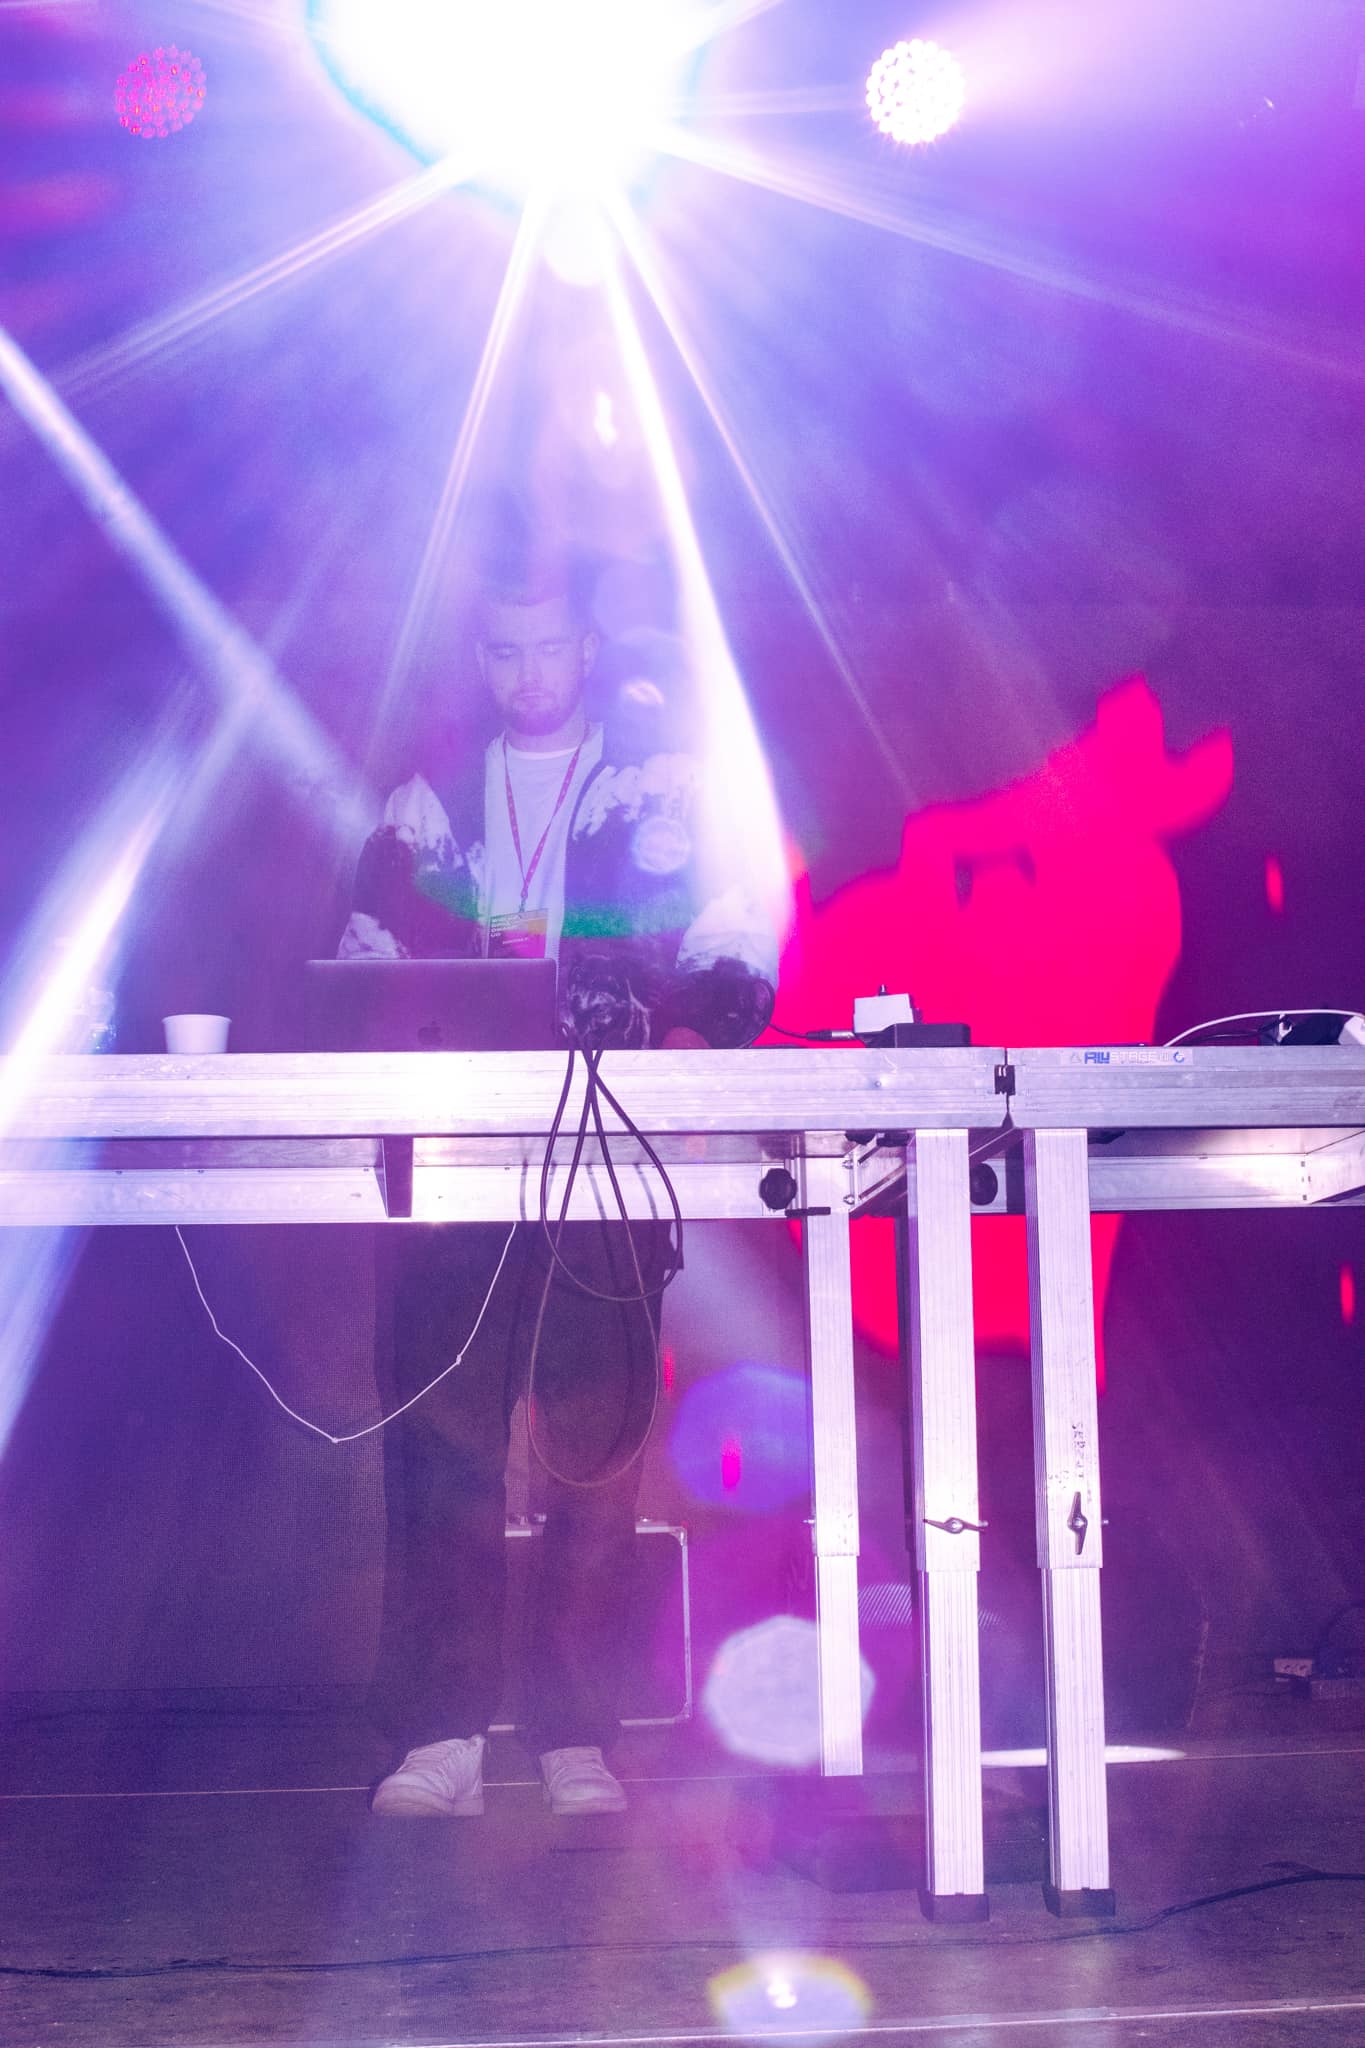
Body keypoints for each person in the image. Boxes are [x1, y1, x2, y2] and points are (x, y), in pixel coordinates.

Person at [339, 552, 777, 1817]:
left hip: (609, 1152)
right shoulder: (427, 805)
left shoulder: (664, 786)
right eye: (503, 650)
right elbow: (365, 962)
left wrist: (700, 1013)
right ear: (480, 657)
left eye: (547, 647)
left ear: (588, 647)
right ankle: (442, 1734)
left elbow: (736, 937)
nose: (527, 674)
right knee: (443, 1442)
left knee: (599, 1446)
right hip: (461, 1158)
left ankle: (577, 1732)